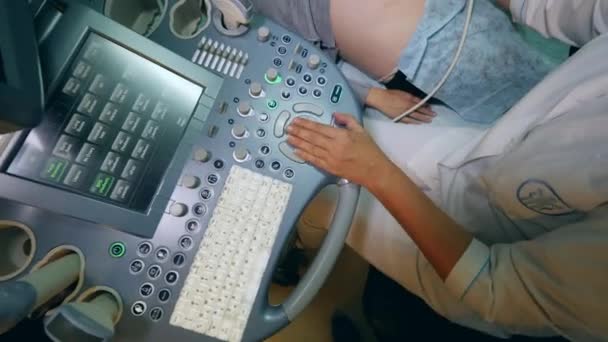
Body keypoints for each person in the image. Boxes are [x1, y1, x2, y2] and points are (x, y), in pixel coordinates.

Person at [287, 0, 608, 340]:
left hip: (479, 258)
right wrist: (371, 100)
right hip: (487, 150)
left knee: (319, 179)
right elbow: (562, 9)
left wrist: (377, 172)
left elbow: (493, 288)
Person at [251, 0, 557, 124]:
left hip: (457, 12)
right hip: (433, 51)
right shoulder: (235, 10)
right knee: (548, 103)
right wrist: (373, 96)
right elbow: (282, 62)